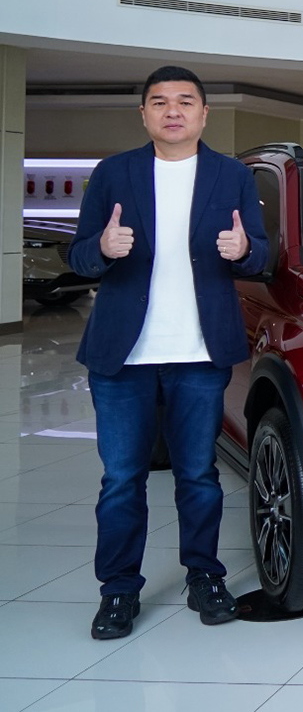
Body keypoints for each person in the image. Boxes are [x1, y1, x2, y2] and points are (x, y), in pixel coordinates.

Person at [68, 66, 269, 639]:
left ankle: (204, 576)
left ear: (204, 113)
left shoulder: (232, 175)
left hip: (199, 353)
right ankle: (118, 590)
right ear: (144, 114)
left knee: (198, 475)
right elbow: (78, 257)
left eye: (185, 101)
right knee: (121, 479)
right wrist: (103, 247)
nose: (172, 110)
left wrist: (243, 249)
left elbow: (261, 256)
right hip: (122, 356)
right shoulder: (114, 173)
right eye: (159, 102)